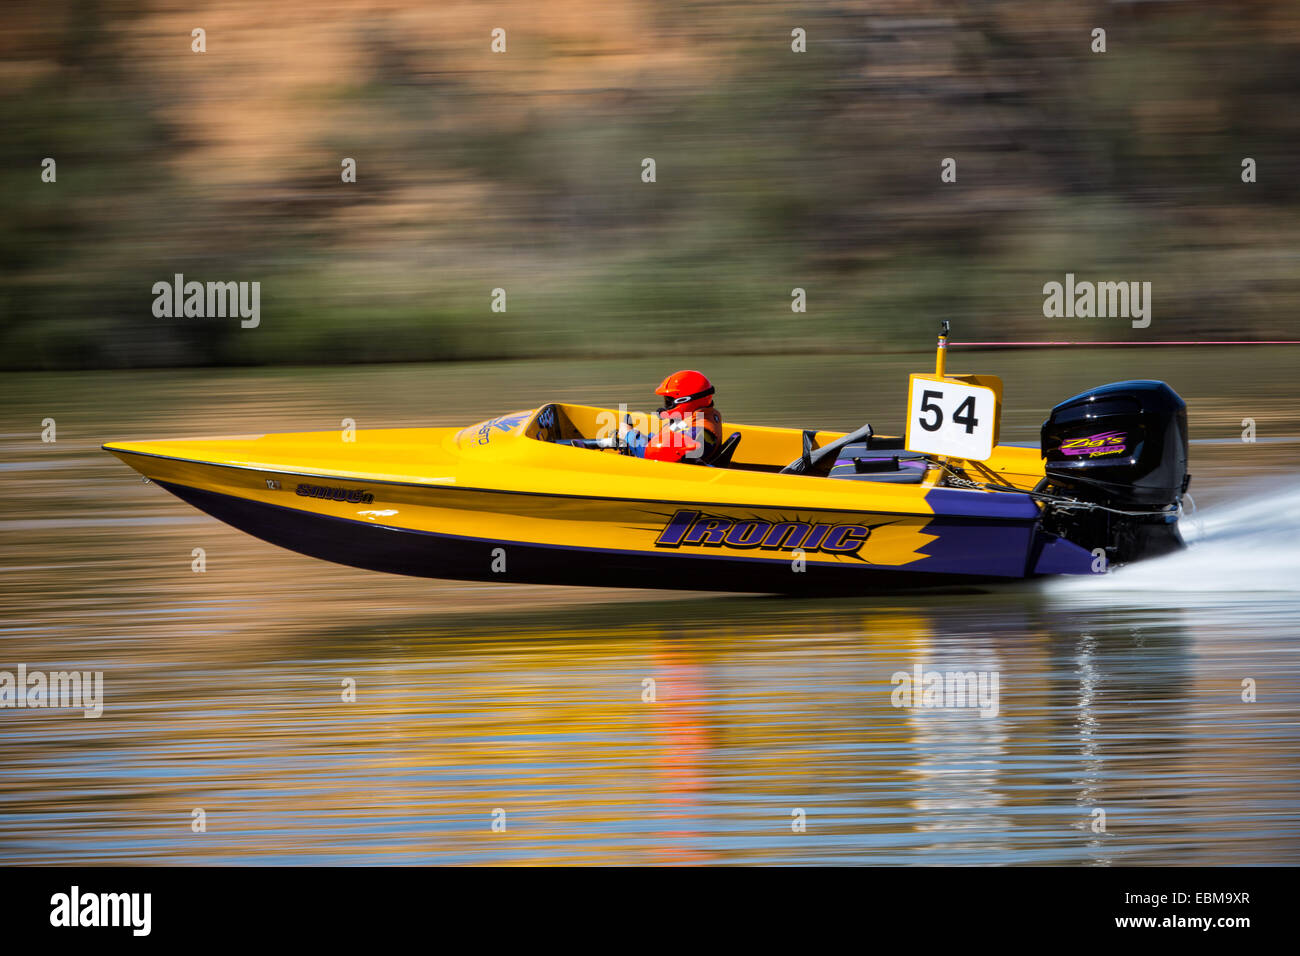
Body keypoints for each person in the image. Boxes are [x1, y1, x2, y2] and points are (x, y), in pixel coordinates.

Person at [574, 370, 722, 464]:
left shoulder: (699, 431)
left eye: (669, 401)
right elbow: (663, 440)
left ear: (685, 401)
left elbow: (653, 451)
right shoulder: (695, 421)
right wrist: (634, 436)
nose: (666, 405)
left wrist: (629, 436)